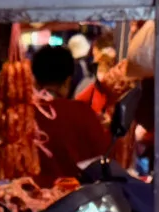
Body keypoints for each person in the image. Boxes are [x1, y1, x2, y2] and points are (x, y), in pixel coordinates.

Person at [29, 43, 113, 186]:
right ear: (68, 80)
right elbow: (103, 161)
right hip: (76, 200)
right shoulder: (83, 112)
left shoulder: (24, 114)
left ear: (35, 80)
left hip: (29, 198)